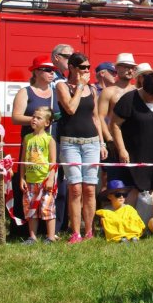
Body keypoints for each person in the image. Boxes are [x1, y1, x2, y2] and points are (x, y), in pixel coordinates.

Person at [56, 53, 106, 244]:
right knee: (75, 188)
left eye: (88, 67)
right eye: (82, 67)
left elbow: (96, 117)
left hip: (91, 142)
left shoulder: (92, 89)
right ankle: (75, 231)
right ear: (72, 68)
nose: (86, 71)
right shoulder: (62, 86)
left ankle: (89, 230)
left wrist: (102, 142)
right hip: (70, 143)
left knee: (90, 189)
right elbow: (70, 108)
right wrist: (79, 87)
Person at [11, 56, 61, 231]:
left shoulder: (56, 92)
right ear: (37, 72)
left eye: (53, 70)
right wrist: (38, 120)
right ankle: (26, 229)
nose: (51, 73)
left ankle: (51, 230)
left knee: (50, 186)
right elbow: (15, 117)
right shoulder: (26, 92)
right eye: (47, 70)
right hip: (31, 145)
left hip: (50, 143)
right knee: (29, 188)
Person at [111, 71, 153, 196]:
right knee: (132, 190)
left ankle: (149, 209)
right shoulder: (128, 100)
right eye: (151, 94)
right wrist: (122, 149)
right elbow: (115, 125)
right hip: (133, 155)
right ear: (144, 88)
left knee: (152, 188)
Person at [98, 53, 137, 198]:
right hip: (114, 143)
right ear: (117, 69)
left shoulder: (137, 91)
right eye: (126, 67)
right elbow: (100, 117)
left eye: (132, 67)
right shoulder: (108, 92)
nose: (129, 70)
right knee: (115, 183)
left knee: (134, 183)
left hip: (133, 143)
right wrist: (109, 140)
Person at [19, 107, 58, 244]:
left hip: (45, 181)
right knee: (31, 209)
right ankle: (32, 237)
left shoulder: (49, 139)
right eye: (33, 117)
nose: (34, 119)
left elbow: (53, 162)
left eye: (38, 118)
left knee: (47, 208)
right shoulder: (27, 138)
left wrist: (51, 179)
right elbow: (23, 160)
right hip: (30, 181)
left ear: (47, 123)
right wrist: (22, 178)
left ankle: (51, 237)